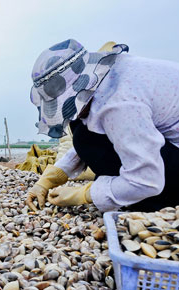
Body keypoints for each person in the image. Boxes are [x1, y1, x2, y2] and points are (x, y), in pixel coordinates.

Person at [25, 38, 179, 213]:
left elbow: (147, 180)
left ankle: (155, 202)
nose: (70, 112)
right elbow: (106, 133)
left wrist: (84, 194)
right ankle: (125, 191)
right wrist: (50, 179)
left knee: (84, 137)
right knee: (82, 130)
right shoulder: (110, 78)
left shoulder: (119, 105)